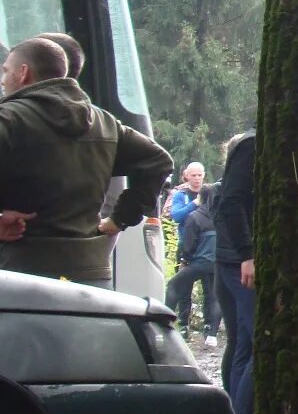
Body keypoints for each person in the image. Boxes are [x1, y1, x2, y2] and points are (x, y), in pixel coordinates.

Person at [0, 36, 172, 287]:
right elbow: (159, 161)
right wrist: (119, 219)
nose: (3, 80)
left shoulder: (9, 119)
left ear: (23, 73)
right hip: (91, 275)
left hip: (19, 272)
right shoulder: (105, 122)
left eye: (6, 71)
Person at [212, 131, 257, 414]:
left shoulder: (244, 148)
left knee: (242, 345)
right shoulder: (253, 146)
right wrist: (248, 254)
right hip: (241, 264)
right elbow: (231, 205)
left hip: (230, 261)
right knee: (259, 346)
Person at [166, 181, 218, 337]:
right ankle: (211, 332)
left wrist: (184, 261)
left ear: (200, 198)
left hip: (199, 262)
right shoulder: (220, 217)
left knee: (174, 285)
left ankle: (166, 322)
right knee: (213, 295)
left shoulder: (194, 217)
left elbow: (189, 245)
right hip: (216, 263)